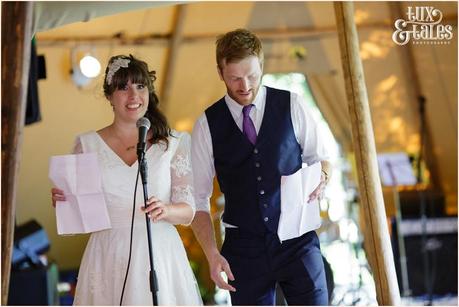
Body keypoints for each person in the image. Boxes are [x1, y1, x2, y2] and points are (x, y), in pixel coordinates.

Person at [191, 29, 332, 305]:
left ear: (262, 66)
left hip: (298, 239)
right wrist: (211, 254)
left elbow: (321, 158)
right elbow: (197, 199)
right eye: (234, 78)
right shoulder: (206, 125)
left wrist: (323, 177)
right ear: (220, 73)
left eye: (252, 76)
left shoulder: (292, 104)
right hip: (243, 249)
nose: (245, 85)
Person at [51, 54, 202, 306]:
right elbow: (80, 217)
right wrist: (64, 202)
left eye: (140, 86)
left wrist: (165, 210)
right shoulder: (86, 145)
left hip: (160, 254)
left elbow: (188, 212)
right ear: (109, 96)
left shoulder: (174, 143)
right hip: (108, 256)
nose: (133, 96)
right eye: (123, 87)